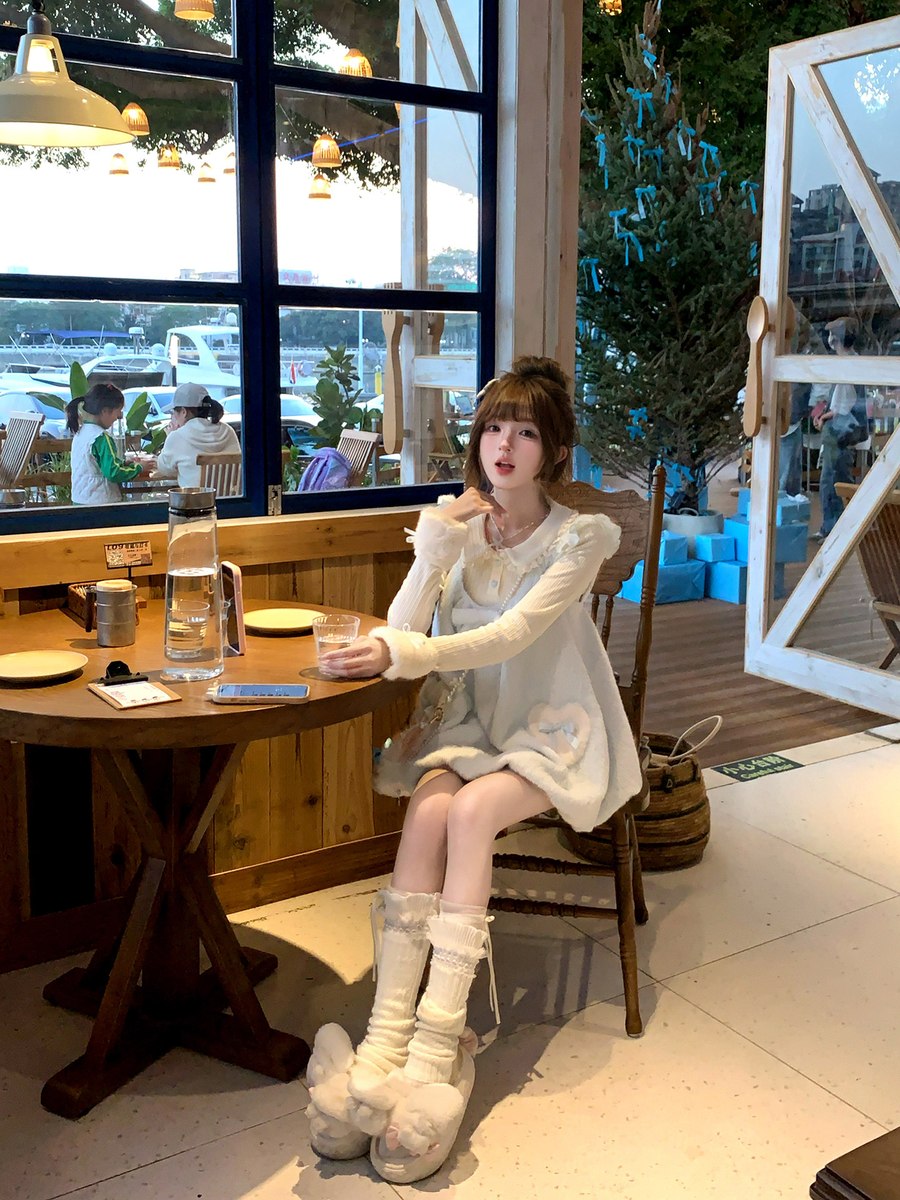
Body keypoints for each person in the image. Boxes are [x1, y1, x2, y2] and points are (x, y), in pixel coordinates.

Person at [303, 356, 642, 1184]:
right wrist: (434, 548)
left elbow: (510, 636)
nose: (505, 445)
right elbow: (403, 621)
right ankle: (387, 1036)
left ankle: (437, 1039)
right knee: (427, 812)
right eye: (494, 427)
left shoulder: (578, 538)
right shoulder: (464, 527)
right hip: (471, 723)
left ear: (552, 450)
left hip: (553, 727)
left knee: (468, 813)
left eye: (526, 432)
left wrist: (403, 652)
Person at [813, 317, 869, 541]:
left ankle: (832, 529)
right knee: (839, 479)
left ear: (836, 339)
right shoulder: (853, 361)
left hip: (839, 432)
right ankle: (839, 528)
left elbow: (842, 406)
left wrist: (823, 417)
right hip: (844, 432)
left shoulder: (847, 364)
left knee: (831, 481)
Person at [66, 382, 155, 505]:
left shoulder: (80, 433)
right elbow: (113, 473)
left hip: (80, 500)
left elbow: (96, 465)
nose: (118, 416)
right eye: (118, 411)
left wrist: (123, 463)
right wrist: (139, 467)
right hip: (101, 502)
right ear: (105, 411)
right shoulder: (101, 437)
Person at [155, 382, 241, 488]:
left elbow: (165, 469)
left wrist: (170, 436)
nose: (173, 416)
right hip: (232, 498)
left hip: (195, 498)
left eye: (174, 412)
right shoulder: (228, 431)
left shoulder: (177, 436)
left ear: (184, 412)